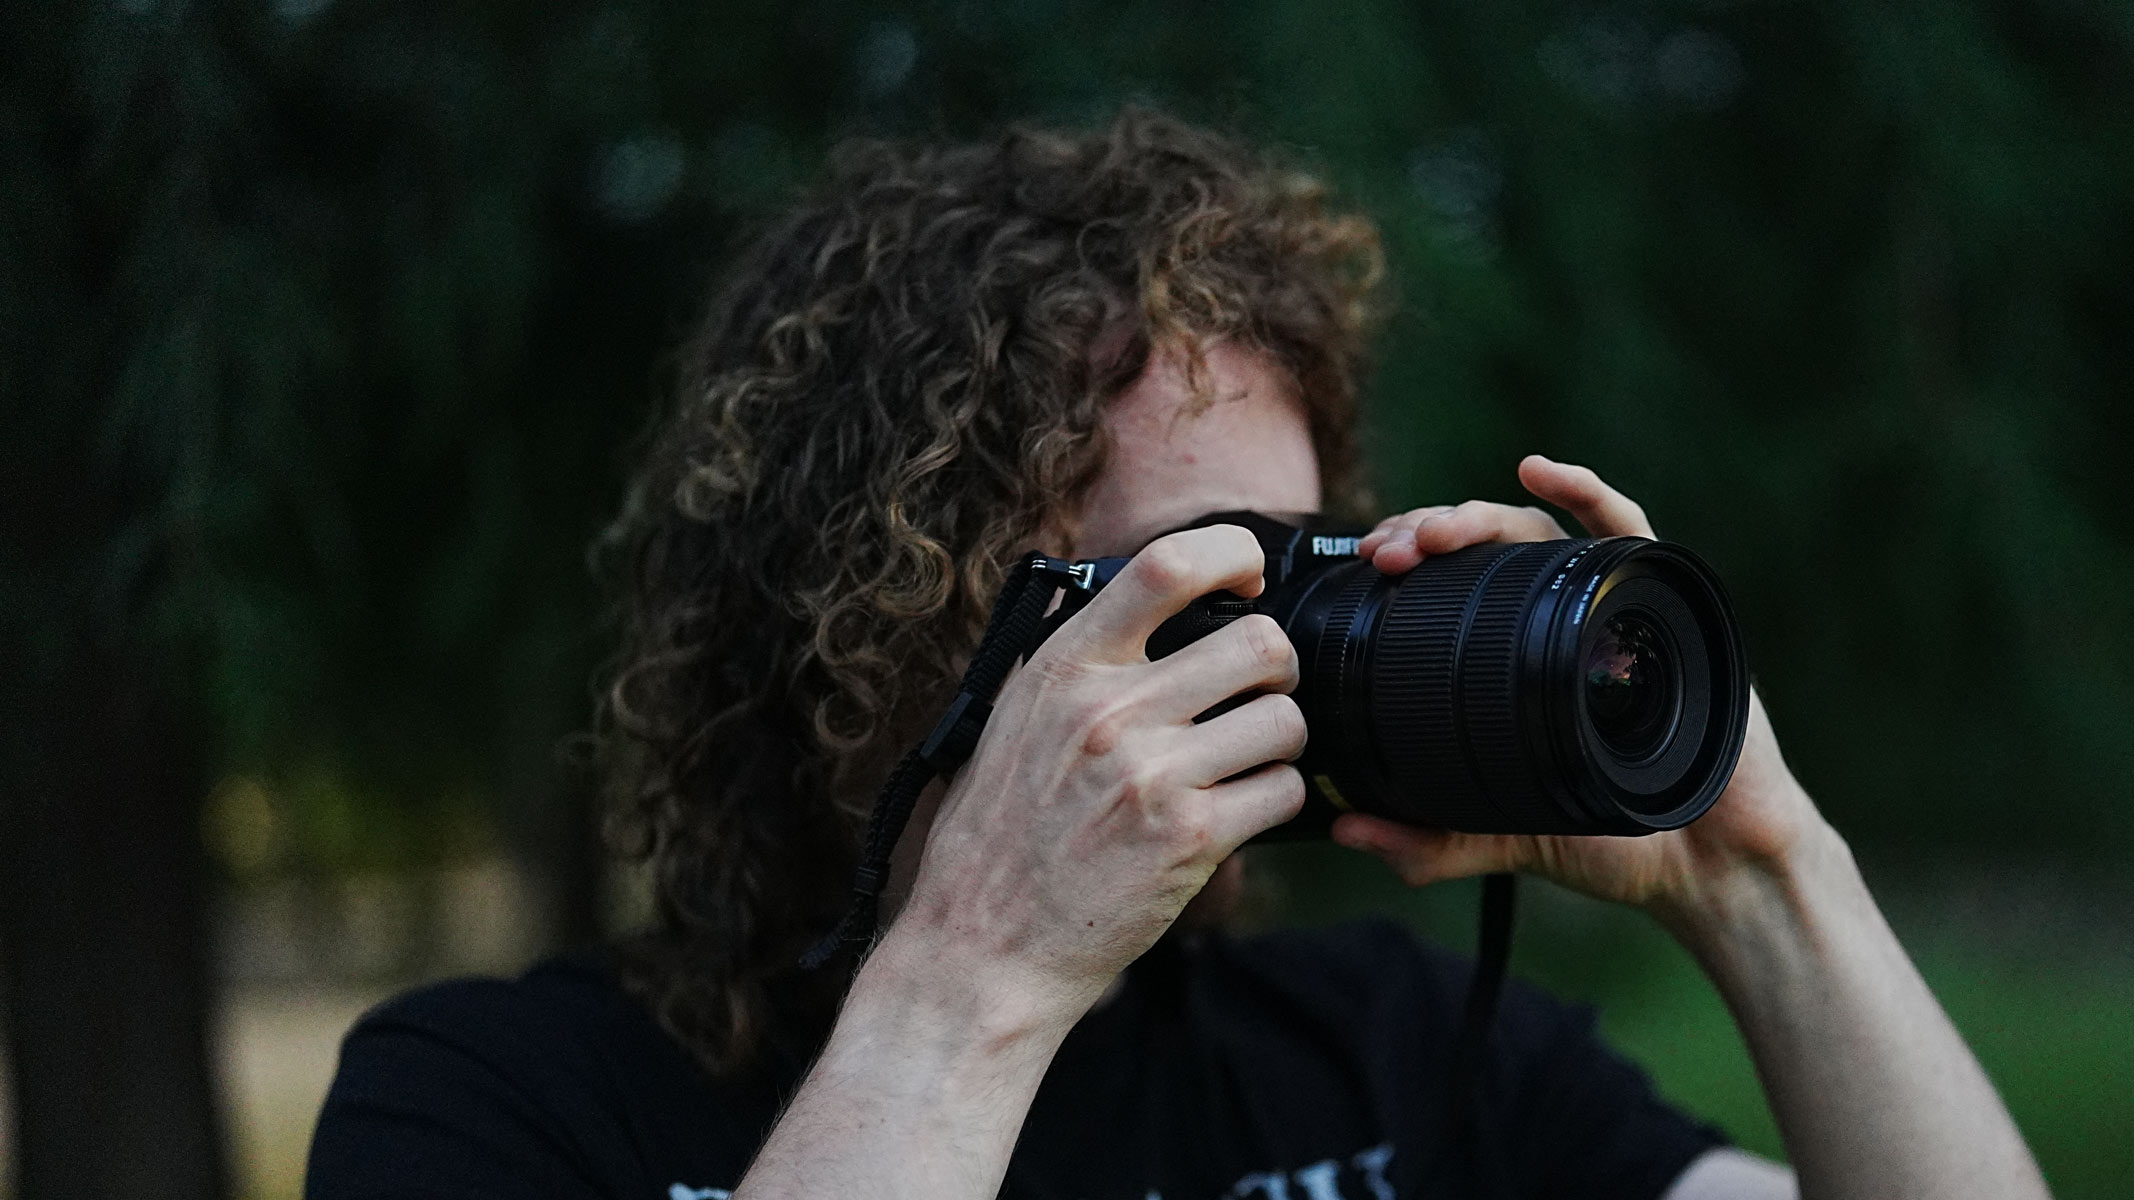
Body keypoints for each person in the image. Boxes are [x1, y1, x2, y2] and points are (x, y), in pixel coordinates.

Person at [307, 109, 2049, 1200]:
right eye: (1191, 578)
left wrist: (1761, 880)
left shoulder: (1398, 1057)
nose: (1274, 644)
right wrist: (969, 987)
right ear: (878, 598)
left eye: (1302, 559)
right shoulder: (496, 1101)